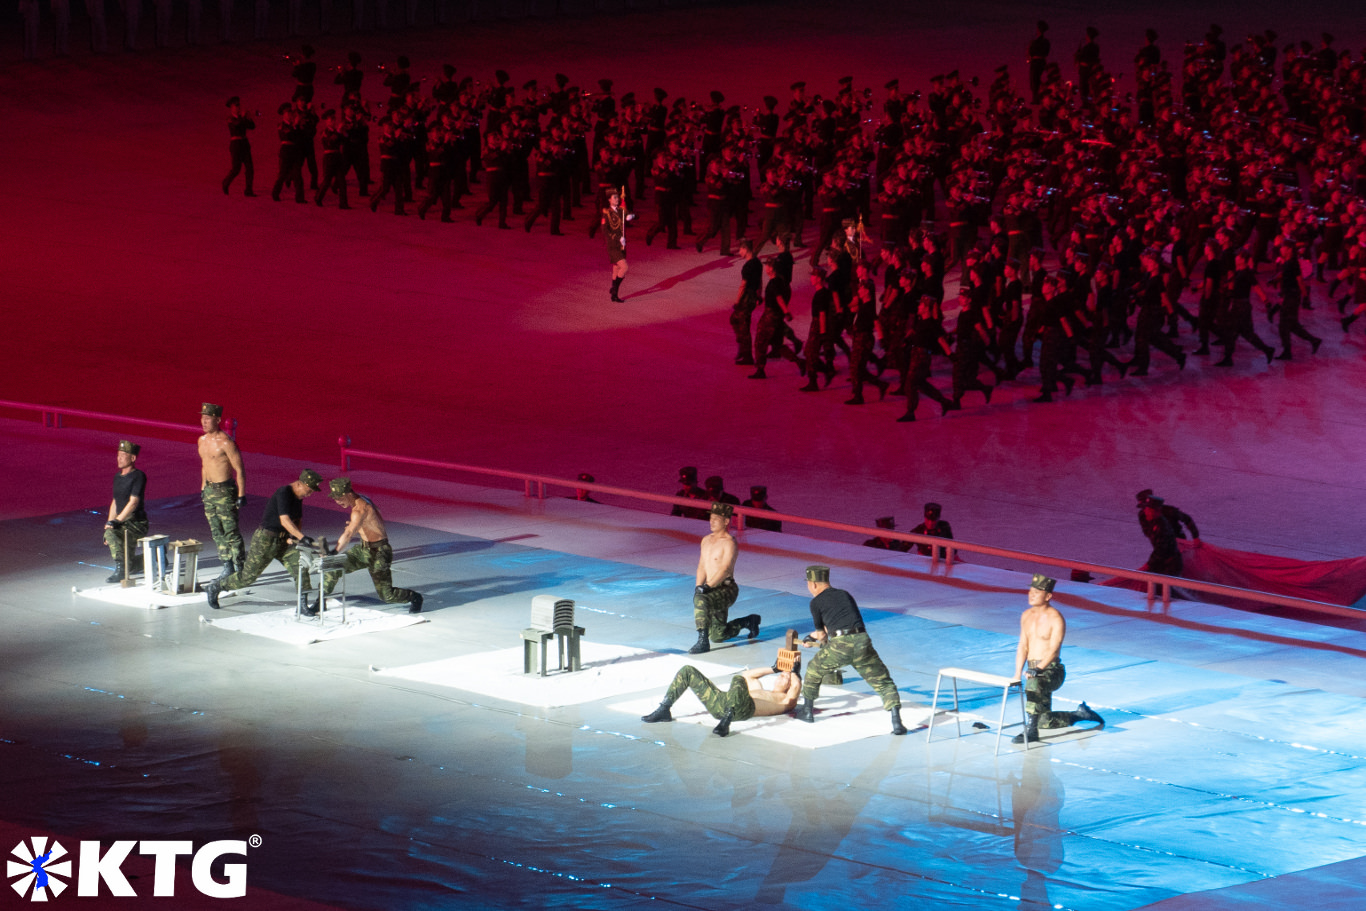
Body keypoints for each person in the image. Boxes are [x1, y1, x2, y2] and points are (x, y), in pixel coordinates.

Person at [793, 565, 907, 735]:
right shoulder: (844, 594)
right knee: (883, 681)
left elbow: (822, 635)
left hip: (841, 645)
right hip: (862, 641)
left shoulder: (815, 602)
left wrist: (811, 639)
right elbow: (840, 621)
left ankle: (808, 711)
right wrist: (813, 636)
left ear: (813, 584)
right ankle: (897, 721)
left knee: (813, 669)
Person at [206, 469, 323, 612]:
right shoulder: (284, 493)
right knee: (247, 577)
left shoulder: (298, 497)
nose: (309, 494)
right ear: (300, 484)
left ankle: (303, 606)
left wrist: (293, 538)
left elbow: (297, 519)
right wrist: (302, 537)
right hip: (265, 540)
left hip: (283, 542)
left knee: (300, 568)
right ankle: (216, 586)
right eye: (309, 490)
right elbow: (285, 520)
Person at [1011, 574, 1104, 743]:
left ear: (1048, 596)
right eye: (1030, 590)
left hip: (1051, 670)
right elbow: (1023, 645)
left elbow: (1054, 650)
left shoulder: (1055, 618)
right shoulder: (1026, 615)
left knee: (1034, 683)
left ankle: (1030, 732)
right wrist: (1017, 674)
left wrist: (1038, 669)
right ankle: (1080, 714)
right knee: (1044, 721)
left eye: (1037, 592)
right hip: (1034, 670)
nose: (1031, 594)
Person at [319, 478, 423, 613]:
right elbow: (376, 514)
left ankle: (415, 597)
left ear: (349, 494)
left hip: (379, 552)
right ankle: (319, 602)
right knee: (333, 568)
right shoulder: (362, 500)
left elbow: (349, 533)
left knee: (387, 595)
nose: (337, 501)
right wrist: (363, 527)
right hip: (363, 549)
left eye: (340, 497)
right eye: (335, 498)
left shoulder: (360, 510)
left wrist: (333, 552)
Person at [641, 665, 803, 737]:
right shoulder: (758, 688)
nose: (783, 677)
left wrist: (795, 672)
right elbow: (750, 675)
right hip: (721, 705)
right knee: (688, 671)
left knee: (738, 680)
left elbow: (795, 688)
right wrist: (774, 669)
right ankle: (664, 709)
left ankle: (727, 720)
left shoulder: (785, 700)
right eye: (781, 675)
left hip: (741, 710)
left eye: (786, 678)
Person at [688, 502, 760, 654]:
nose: (711, 522)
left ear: (726, 521)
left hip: (725, 589)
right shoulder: (706, 540)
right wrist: (698, 586)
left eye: (716, 519)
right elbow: (702, 565)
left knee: (701, 600)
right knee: (718, 635)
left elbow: (725, 569)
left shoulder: (729, 543)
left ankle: (702, 641)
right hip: (709, 589)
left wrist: (707, 587)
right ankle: (748, 621)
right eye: (711, 518)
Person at [198, 403, 246, 582]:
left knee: (231, 531)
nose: (204, 421)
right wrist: (203, 487)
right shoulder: (201, 441)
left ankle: (240, 566)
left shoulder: (226, 443)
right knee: (216, 531)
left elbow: (239, 470)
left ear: (217, 420)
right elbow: (205, 465)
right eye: (202, 418)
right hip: (210, 490)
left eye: (208, 418)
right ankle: (227, 565)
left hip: (225, 490)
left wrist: (241, 494)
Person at [103, 440, 148, 584]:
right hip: (123, 523)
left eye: (123, 455)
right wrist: (109, 523)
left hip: (136, 523)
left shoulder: (138, 476)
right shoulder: (118, 477)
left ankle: (121, 569)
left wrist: (117, 521)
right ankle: (153, 559)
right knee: (109, 533)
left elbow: (133, 502)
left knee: (112, 534)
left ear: (132, 458)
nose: (119, 458)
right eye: (118, 455)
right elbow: (115, 502)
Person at [1139, 496, 1183, 577]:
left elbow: (1160, 550)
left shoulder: (1162, 527)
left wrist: (1149, 564)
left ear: (1157, 511)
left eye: (1148, 509)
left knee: (1163, 588)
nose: (1145, 511)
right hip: (1164, 564)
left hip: (1169, 566)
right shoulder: (1155, 522)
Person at [603, 187, 633, 302]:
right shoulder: (607, 214)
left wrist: (632, 216)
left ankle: (613, 290)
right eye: (614, 198)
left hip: (622, 244)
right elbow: (605, 231)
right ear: (609, 200)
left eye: (617, 197)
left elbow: (627, 215)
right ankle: (614, 291)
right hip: (613, 245)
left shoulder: (620, 210)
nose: (617, 199)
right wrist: (618, 238)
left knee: (616, 268)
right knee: (624, 267)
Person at [222, 97, 256, 197]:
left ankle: (248, 190)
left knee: (250, 168)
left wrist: (248, 118)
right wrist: (243, 117)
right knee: (236, 168)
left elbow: (252, 126)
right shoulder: (230, 118)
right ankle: (226, 182)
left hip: (244, 144)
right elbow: (237, 124)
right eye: (236, 106)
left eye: (238, 105)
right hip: (236, 145)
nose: (238, 107)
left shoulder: (241, 118)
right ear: (231, 108)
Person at [1134, 489, 1199, 540]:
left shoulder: (1169, 511)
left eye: (1146, 506)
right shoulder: (1142, 515)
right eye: (1143, 507)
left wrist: (1195, 537)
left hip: (1179, 542)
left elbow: (1187, 519)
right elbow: (1147, 532)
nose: (1145, 510)